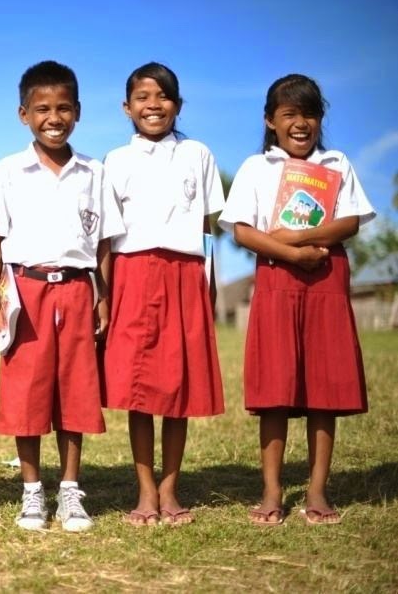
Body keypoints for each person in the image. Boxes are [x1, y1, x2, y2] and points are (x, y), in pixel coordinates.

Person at [218, 74, 375, 526]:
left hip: (326, 276)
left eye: (309, 113)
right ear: (271, 121)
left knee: (324, 385)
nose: (300, 123)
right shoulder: (255, 168)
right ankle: (272, 490)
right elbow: (244, 231)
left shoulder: (337, 162)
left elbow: (349, 223)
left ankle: (318, 490)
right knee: (275, 389)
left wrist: (299, 237)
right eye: (289, 114)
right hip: (274, 280)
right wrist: (289, 252)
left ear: (320, 119)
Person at [0, 61, 124, 532]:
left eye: (63, 108)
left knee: (75, 390)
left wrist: (101, 294)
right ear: (23, 113)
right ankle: (31, 492)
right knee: (26, 392)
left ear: (79, 112)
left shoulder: (94, 171)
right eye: (42, 108)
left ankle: (69, 491)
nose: (54, 117)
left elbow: (104, 242)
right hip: (25, 291)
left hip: (75, 289)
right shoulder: (7, 171)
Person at [102, 62, 225, 527]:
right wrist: (106, 294)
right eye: (142, 97)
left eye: (163, 97)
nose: (153, 106)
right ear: (127, 106)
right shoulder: (115, 161)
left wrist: (208, 286)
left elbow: (207, 228)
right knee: (138, 386)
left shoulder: (197, 153)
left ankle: (171, 489)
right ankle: (145, 490)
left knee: (178, 383)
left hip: (185, 272)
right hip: (132, 272)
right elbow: (108, 240)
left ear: (178, 104)